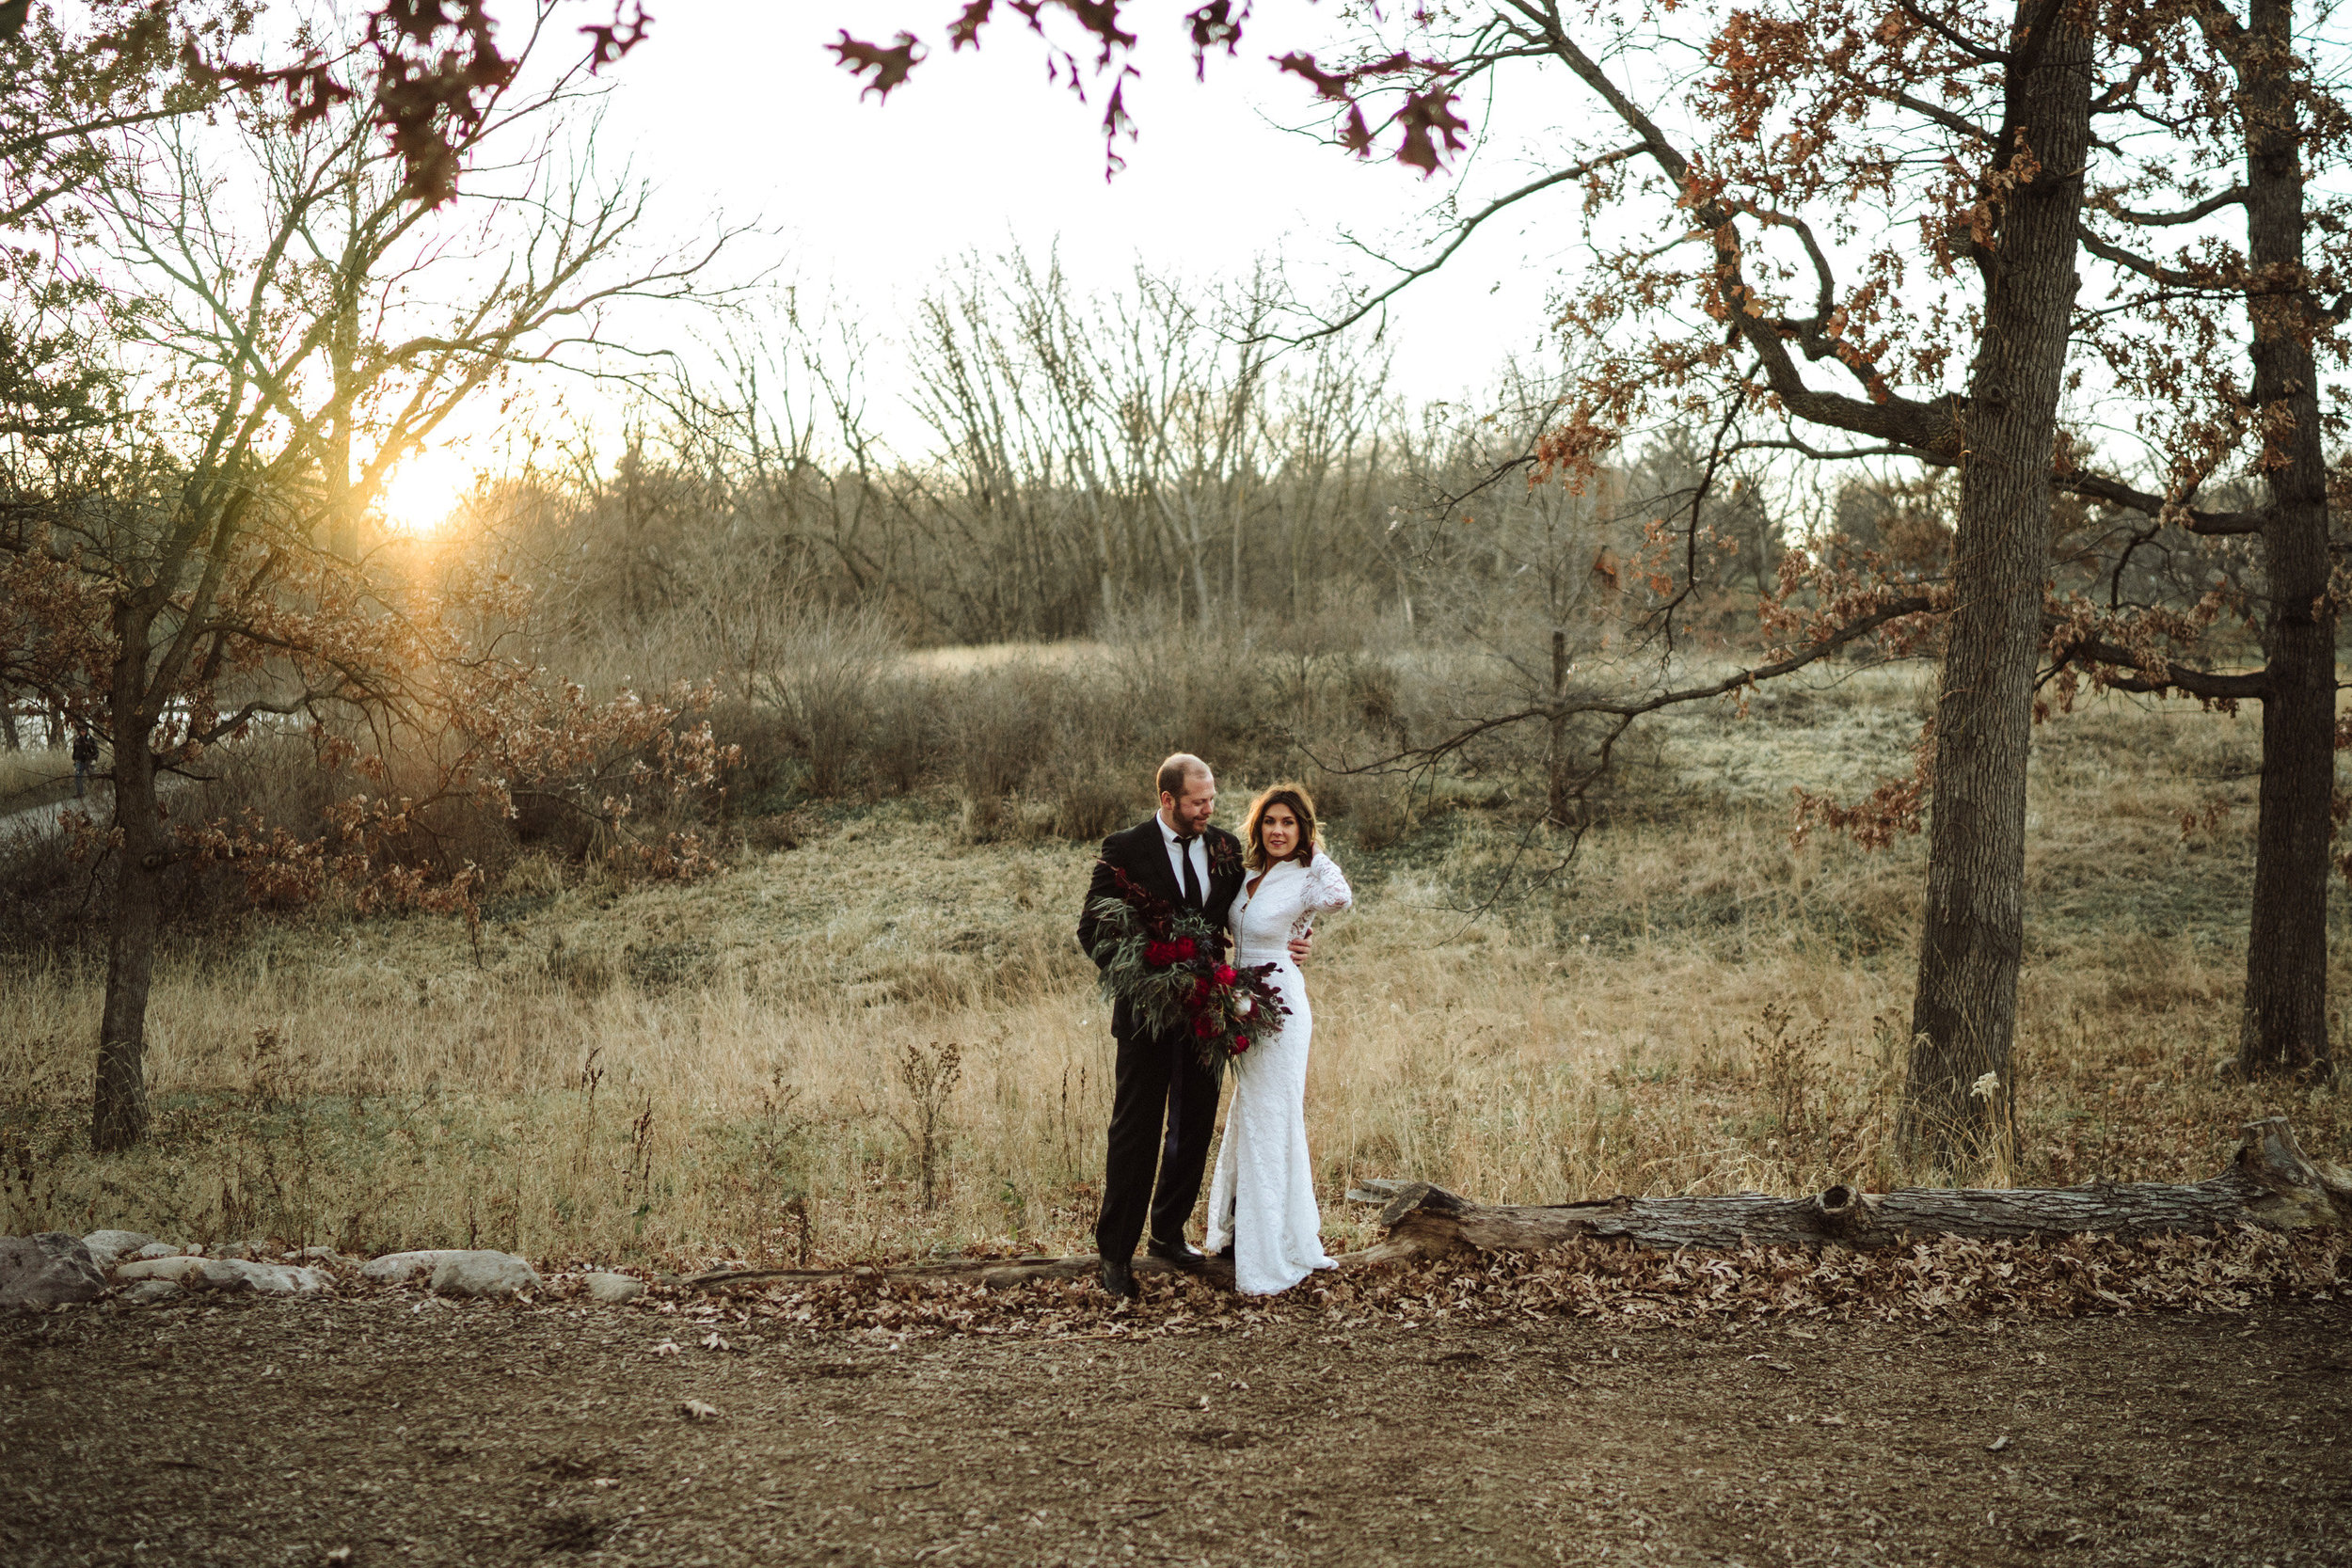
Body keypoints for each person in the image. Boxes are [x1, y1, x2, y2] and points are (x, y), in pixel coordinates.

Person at [1076, 754, 1311, 1301]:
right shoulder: (1125, 849)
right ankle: (1115, 1253)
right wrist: (1149, 982)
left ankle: (1167, 1234)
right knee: (1134, 1132)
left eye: (1212, 800)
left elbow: (1267, 901)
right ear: (1168, 801)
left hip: (1210, 1016)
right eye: (1197, 802)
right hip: (1146, 1017)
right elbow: (1094, 929)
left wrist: (1299, 934)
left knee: (1193, 1126)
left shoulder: (1227, 848)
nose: (1209, 810)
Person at [1202, 784, 1352, 1295]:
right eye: (1271, 822)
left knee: (1270, 1117)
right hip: (1240, 1005)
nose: (1278, 831)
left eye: (1289, 823)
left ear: (1303, 829)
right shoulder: (1247, 874)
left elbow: (1339, 897)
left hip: (1280, 1008)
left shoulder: (1307, 873)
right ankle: (1239, 1230)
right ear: (1258, 827)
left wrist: (1318, 862)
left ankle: (1269, 1254)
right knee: (1251, 1114)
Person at [70, 721, 97, 800]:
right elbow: (75, 750)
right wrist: (74, 759)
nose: (82, 732)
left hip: (88, 761)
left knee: (92, 776)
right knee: (77, 777)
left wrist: (94, 759)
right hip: (79, 761)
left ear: (86, 731)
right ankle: (80, 793)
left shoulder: (90, 739)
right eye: (81, 731)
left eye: (84, 731)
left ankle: (95, 792)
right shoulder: (77, 740)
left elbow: (96, 751)